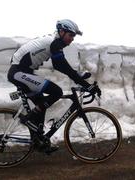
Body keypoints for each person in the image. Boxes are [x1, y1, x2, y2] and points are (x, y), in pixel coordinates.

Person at [7, 19, 101, 153]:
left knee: (41, 103)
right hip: (19, 73)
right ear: (61, 32)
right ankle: (29, 118)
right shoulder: (54, 43)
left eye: (73, 36)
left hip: (21, 72)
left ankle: (38, 140)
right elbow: (61, 66)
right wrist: (87, 85)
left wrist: (79, 77)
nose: (72, 39)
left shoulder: (55, 42)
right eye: (70, 35)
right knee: (56, 91)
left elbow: (65, 66)